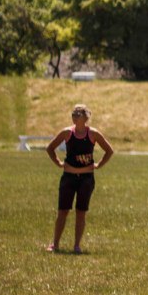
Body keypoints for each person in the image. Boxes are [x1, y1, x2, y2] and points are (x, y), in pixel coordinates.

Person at [45, 104, 114, 254]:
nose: (75, 116)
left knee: (81, 212)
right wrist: (58, 163)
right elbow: (50, 148)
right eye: (73, 113)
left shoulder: (93, 134)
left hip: (86, 179)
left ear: (86, 117)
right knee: (63, 211)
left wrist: (99, 165)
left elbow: (109, 150)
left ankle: (77, 245)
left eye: (78, 114)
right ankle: (55, 244)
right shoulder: (66, 133)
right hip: (68, 177)